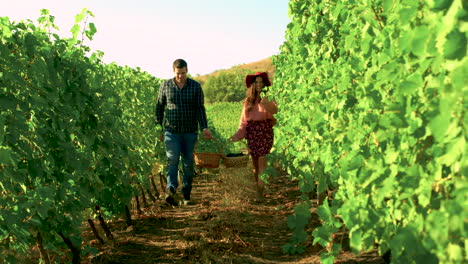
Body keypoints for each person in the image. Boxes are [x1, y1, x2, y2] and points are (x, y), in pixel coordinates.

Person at [155, 59, 213, 206]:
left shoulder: (195, 86)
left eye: (183, 73)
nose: (180, 76)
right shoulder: (165, 85)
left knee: (187, 164)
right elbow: (159, 107)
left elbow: (200, 108)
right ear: (173, 71)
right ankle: (171, 189)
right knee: (172, 159)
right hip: (171, 131)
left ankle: (186, 193)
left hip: (189, 132)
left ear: (187, 70)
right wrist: (158, 128)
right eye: (178, 73)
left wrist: (204, 127)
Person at [230, 72, 278, 201]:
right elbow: (243, 122)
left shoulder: (269, 98)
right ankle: (259, 190)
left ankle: (259, 192)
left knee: (262, 160)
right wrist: (237, 135)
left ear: (265, 84)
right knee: (255, 165)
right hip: (252, 133)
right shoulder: (248, 102)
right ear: (253, 85)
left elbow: (276, 113)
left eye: (261, 82)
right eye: (256, 82)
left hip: (265, 131)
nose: (259, 85)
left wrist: (267, 103)